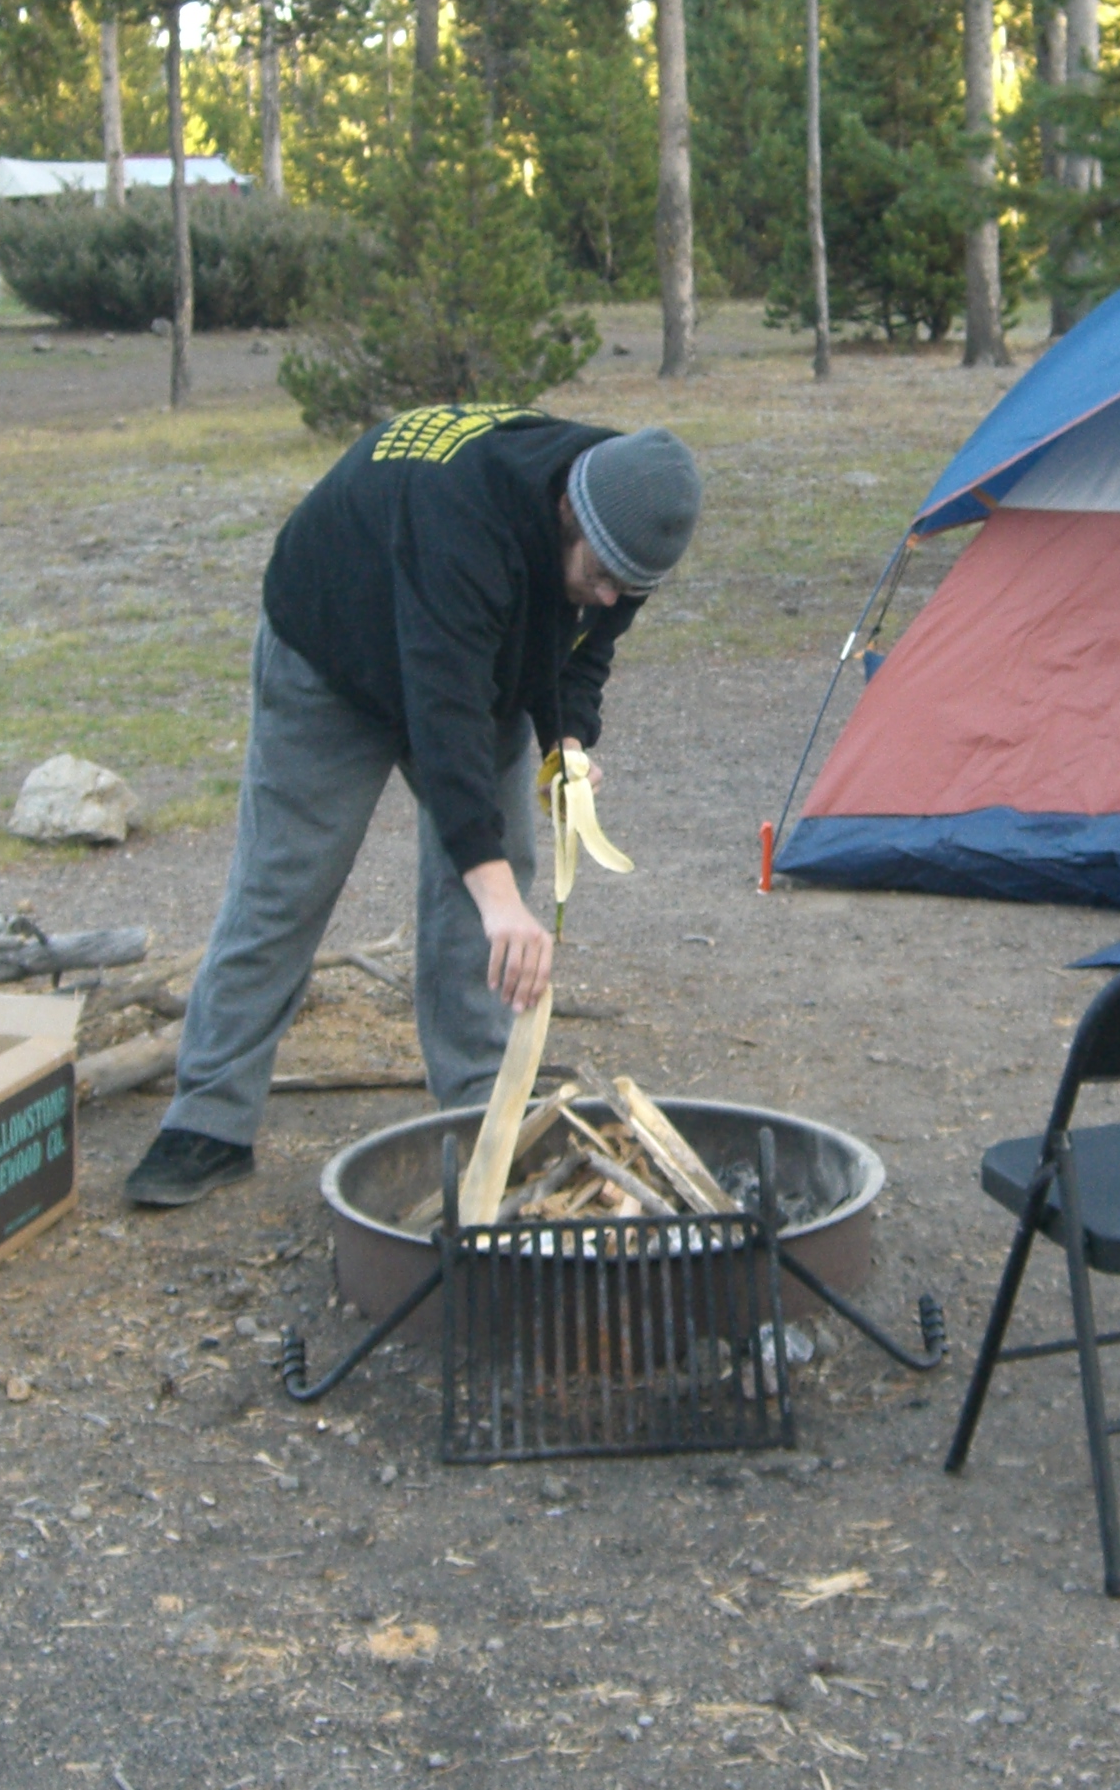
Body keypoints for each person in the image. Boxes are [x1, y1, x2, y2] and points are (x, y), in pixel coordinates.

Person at [125, 406, 704, 1208]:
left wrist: (567, 741)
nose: (609, 597)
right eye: (600, 577)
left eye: (626, 589)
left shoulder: (626, 525)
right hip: (335, 651)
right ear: (567, 511)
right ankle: (207, 1120)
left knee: (489, 897)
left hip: (468, 656)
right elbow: (444, 715)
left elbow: (582, 648)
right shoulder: (465, 522)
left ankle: (479, 1110)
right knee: (286, 883)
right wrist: (498, 896)